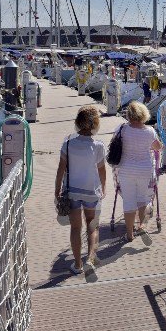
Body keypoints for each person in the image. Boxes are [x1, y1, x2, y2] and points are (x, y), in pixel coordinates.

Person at [54, 105, 107, 273]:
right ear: (95, 124)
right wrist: (103, 188)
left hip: (72, 191)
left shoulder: (68, 144)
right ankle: (90, 259)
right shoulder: (98, 146)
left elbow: (61, 169)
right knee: (92, 226)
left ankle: (77, 264)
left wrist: (56, 190)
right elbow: (102, 170)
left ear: (77, 122)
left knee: (75, 228)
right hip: (92, 190)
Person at [116, 101, 163, 241]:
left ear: (129, 115)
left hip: (126, 170)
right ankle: (141, 226)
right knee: (143, 199)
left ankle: (129, 234)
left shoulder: (122, 129)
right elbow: (158, 147)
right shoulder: (150, 131)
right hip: (144, 169)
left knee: (129, 201)